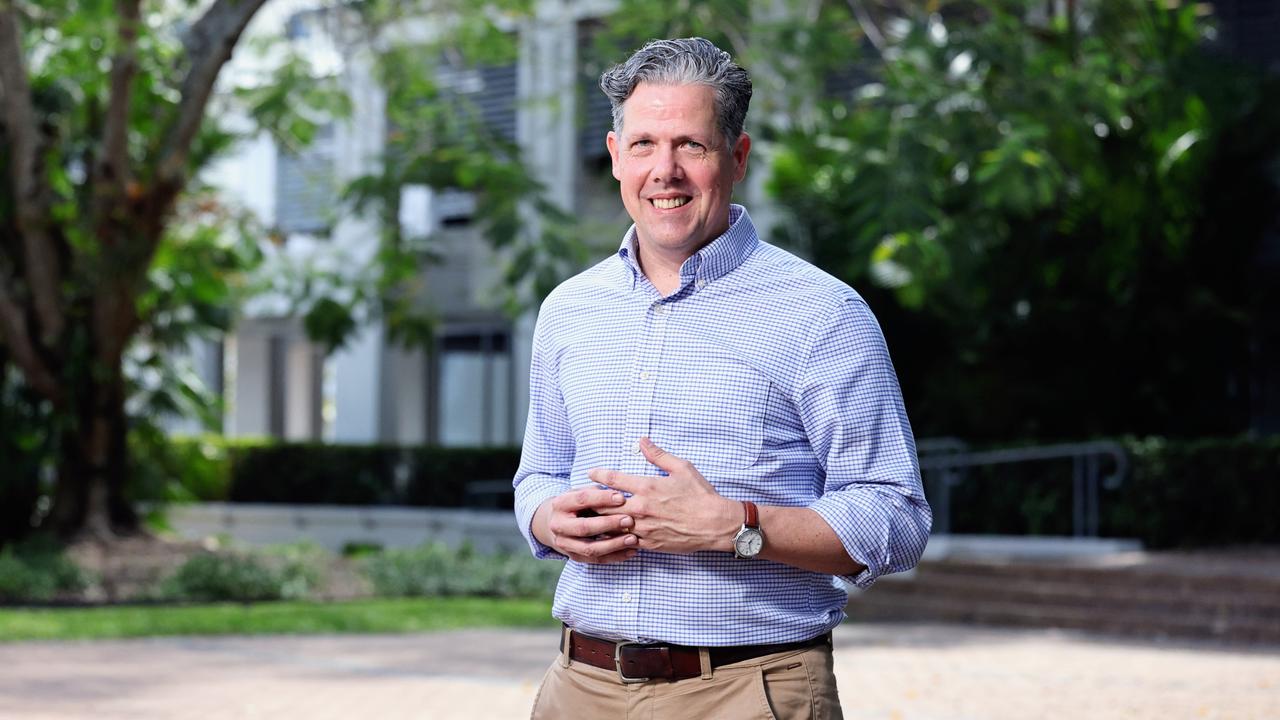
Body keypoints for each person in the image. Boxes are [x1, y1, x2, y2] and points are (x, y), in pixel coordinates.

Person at [513, 36, 931, 719]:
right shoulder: (569, 310)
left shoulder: (822, 315)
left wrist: (735, 525)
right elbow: (539, 473)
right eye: (644, 144)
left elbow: (896, 516)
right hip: (577, 688)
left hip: (747, 690)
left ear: (736, 157)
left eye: (691, 146)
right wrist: (546, 515)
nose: (665, 171)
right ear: (617, 157)